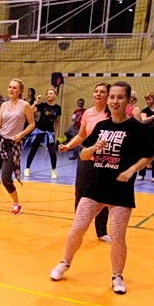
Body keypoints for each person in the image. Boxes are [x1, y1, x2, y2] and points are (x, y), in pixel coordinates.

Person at [49, 82, 154, 294]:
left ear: (127, 101)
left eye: (119, 97)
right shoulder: (101, 127)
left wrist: (131, 170)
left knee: (117, 236)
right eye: (112, 97)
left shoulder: (136, 127)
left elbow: (149, 154)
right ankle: (64, 262)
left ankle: (117, 276)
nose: (115, 101)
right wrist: (92, 148)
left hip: (120, 191)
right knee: (77, 228)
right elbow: (83, 155)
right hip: (95, 187)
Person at [59, 82, 112, 240]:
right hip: (86, 157)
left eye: (102, 91)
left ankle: (101, 231)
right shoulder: (88, 113)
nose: (98, 94)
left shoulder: (112, 115)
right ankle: (79, 226)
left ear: (108, 95)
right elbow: (81, 135)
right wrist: (68, 146)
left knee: (102, 196)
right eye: (96, 91)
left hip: (104, 161)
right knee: (80, 193)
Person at [0, 78, 33, 215]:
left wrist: (21, 134)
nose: (11, 90)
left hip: (13, 144)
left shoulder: (25, 105)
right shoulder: (4, 105)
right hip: (0, 141)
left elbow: (32, 124)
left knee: (5, 177)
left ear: (20, 91)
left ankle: (17, 203)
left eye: (15, 88)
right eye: (10, 87)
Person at [25, 87, 61, 179]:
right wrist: (35, 102)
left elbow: (57, 121)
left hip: (50, 132)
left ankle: (53, 170)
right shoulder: (42, 105)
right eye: (47, 93)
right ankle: (27, 168)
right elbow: (30, 111)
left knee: (52, 152)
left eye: (51, 93)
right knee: (33, 150)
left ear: (55, 95)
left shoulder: (58, 108)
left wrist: (55, 133)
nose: (49, 95)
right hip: (39, 131)